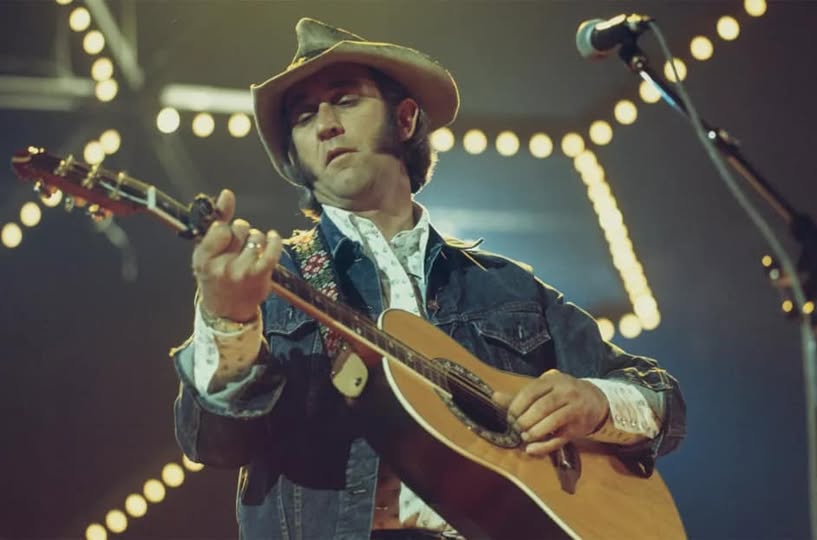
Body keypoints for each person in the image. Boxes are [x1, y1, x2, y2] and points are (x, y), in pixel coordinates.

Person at [172, 18, 686, 540]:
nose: (325, 124)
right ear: (296, 156)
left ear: (406, 118)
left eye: (345, 100)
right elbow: (213, 443)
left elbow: (662, 399)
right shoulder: (270, 282)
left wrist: (596, 404)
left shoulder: (507, 287)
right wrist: (227, 319)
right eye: (304, 117)